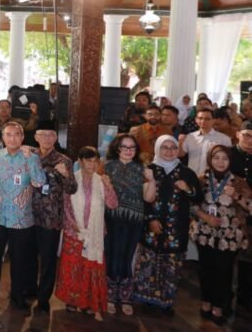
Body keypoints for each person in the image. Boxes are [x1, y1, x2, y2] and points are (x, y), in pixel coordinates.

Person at [0, 121, 45, 313]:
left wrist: (31, 160)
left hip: (22, 220)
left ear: (22, 137)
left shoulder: (31, 158)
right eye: (8, 135)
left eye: (16, 134)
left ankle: (17, 296)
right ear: (3, 138)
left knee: (19, 261)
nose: (12, 138)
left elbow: (40, 182)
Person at [133, 135, 202, 313]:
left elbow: (198, 198)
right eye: (165, 147)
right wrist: (151, 219)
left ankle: (165, 301)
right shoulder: (149, 170)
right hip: (151, 227)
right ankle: (145, 299)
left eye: (173, 147)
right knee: (149, 262)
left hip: (176, 229)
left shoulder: (187, 172)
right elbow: (141, 200)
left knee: (172, 265)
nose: (170, 151)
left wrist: (187, 188)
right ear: (157, 149)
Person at [54, 147, 118, 321]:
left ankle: (89, 301)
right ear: (80, 161)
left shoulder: (101, 180)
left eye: (95, 160)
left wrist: (109, 186)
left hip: (95, 233)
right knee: (74, 266)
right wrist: (72, 224)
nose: (92, 164)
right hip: (74, 231)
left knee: (90, 267)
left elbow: (112, 205)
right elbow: (65, 204)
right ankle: (72, 300)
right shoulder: (72, 179)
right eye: (88, 160)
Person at [190, 145, 252, 324]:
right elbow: (191, 204)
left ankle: (219, 304)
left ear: (230, 161)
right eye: (216, 158)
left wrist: (236, 197)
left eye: (224, 158)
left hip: (230, 236)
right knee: (205, 269)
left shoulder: (239, 181)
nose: (220, 162)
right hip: (205, 232)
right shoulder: (201, 179)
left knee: (224, 272)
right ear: (210, 159)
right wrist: (204, 216)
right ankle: (206, 301)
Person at [102, 134, 156, 315]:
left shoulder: (142, 169)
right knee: (111, 256)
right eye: (124, 147)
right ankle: (109, 295)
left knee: (127, 257)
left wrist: (152, 179)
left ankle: (125, 296)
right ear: (117, 148)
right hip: (111, 218)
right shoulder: (106, 166)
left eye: (131, 147)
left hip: (133, 220)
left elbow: (149, 198)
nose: (128, 151)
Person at [28, 120, 77, 313]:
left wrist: (65, 175)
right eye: (42, 135)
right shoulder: (29, 155)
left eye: (50, 135)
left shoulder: (63, 160)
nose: (46, 138)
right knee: (28, 256)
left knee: (48, 261)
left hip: (50, 218)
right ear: (36, 137)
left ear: (56, 138)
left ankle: (43, 298)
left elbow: (72, 189)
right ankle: (28, 289)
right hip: (27, 215)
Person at [232, 120, 252, 308]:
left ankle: (245, 295)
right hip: (230, 212)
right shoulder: (227, 154)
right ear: (238, 134)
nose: (250, 140)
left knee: (248, 255)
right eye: (247, 135)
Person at [179, 108, 232, 176]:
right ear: (196, 120)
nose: (203, 121)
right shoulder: (190, 136)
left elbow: (228, 161)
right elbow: (181, 154)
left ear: (213, 120)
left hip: (212, 178)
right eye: (200, 118)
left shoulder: (224, 139)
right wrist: (180, 142)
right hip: (191, 176)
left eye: (207, 119)